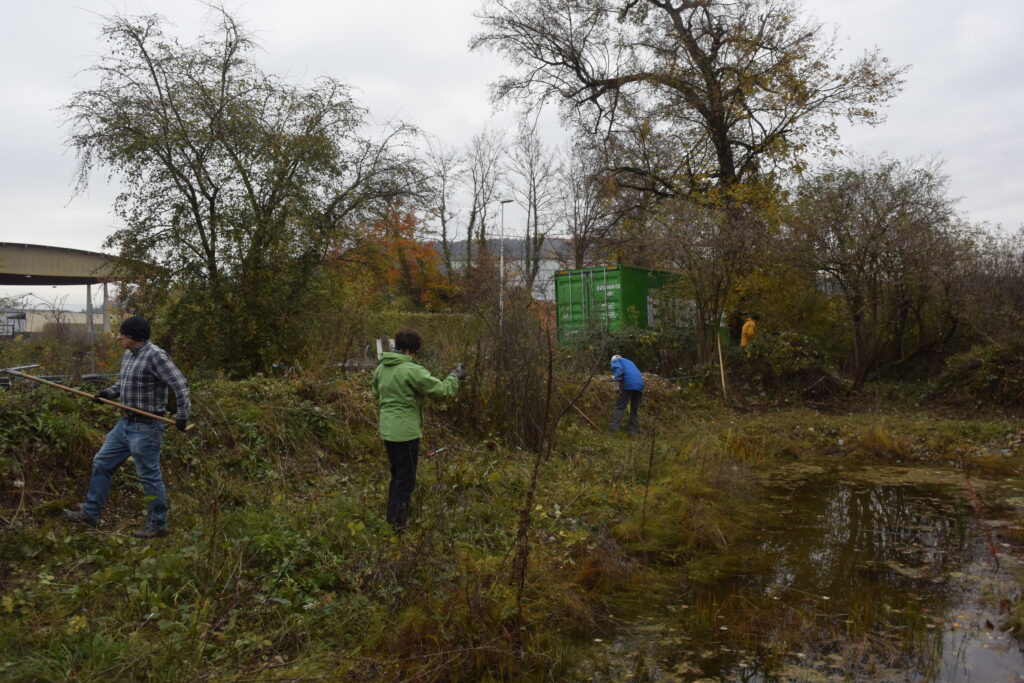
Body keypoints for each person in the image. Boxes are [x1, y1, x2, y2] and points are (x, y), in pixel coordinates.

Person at [62, 316, 190, 539]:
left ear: (133, 337)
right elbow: (123, 384)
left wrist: (182, 415)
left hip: (148, 426)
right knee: (102, 462)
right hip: (126, 423)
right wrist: (107, 394)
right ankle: (90, 514)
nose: (118, 337)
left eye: (122, 333)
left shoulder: (156, 356)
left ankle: (157, 524)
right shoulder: (128, 355)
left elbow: (180, 383)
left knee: (148, 475)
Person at [372, 328, 465, 530]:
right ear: (411, 350)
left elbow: (375, 392)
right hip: (406, 433)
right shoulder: (411, 369)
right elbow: (441, 391)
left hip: (387, 430)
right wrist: (454, 376)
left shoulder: (381, 368)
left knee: (397, 476)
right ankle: (397, 527)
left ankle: (392, 520)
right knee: (406, 481)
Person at [609, 354, 644, 435]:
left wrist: (616, 381)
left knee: (619, 407)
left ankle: (613, 431)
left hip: (628, 384)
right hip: (639, 385)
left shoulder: (616, 360)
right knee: (634, 410)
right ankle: (632, 432)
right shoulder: (629, 362)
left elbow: (619, 370)